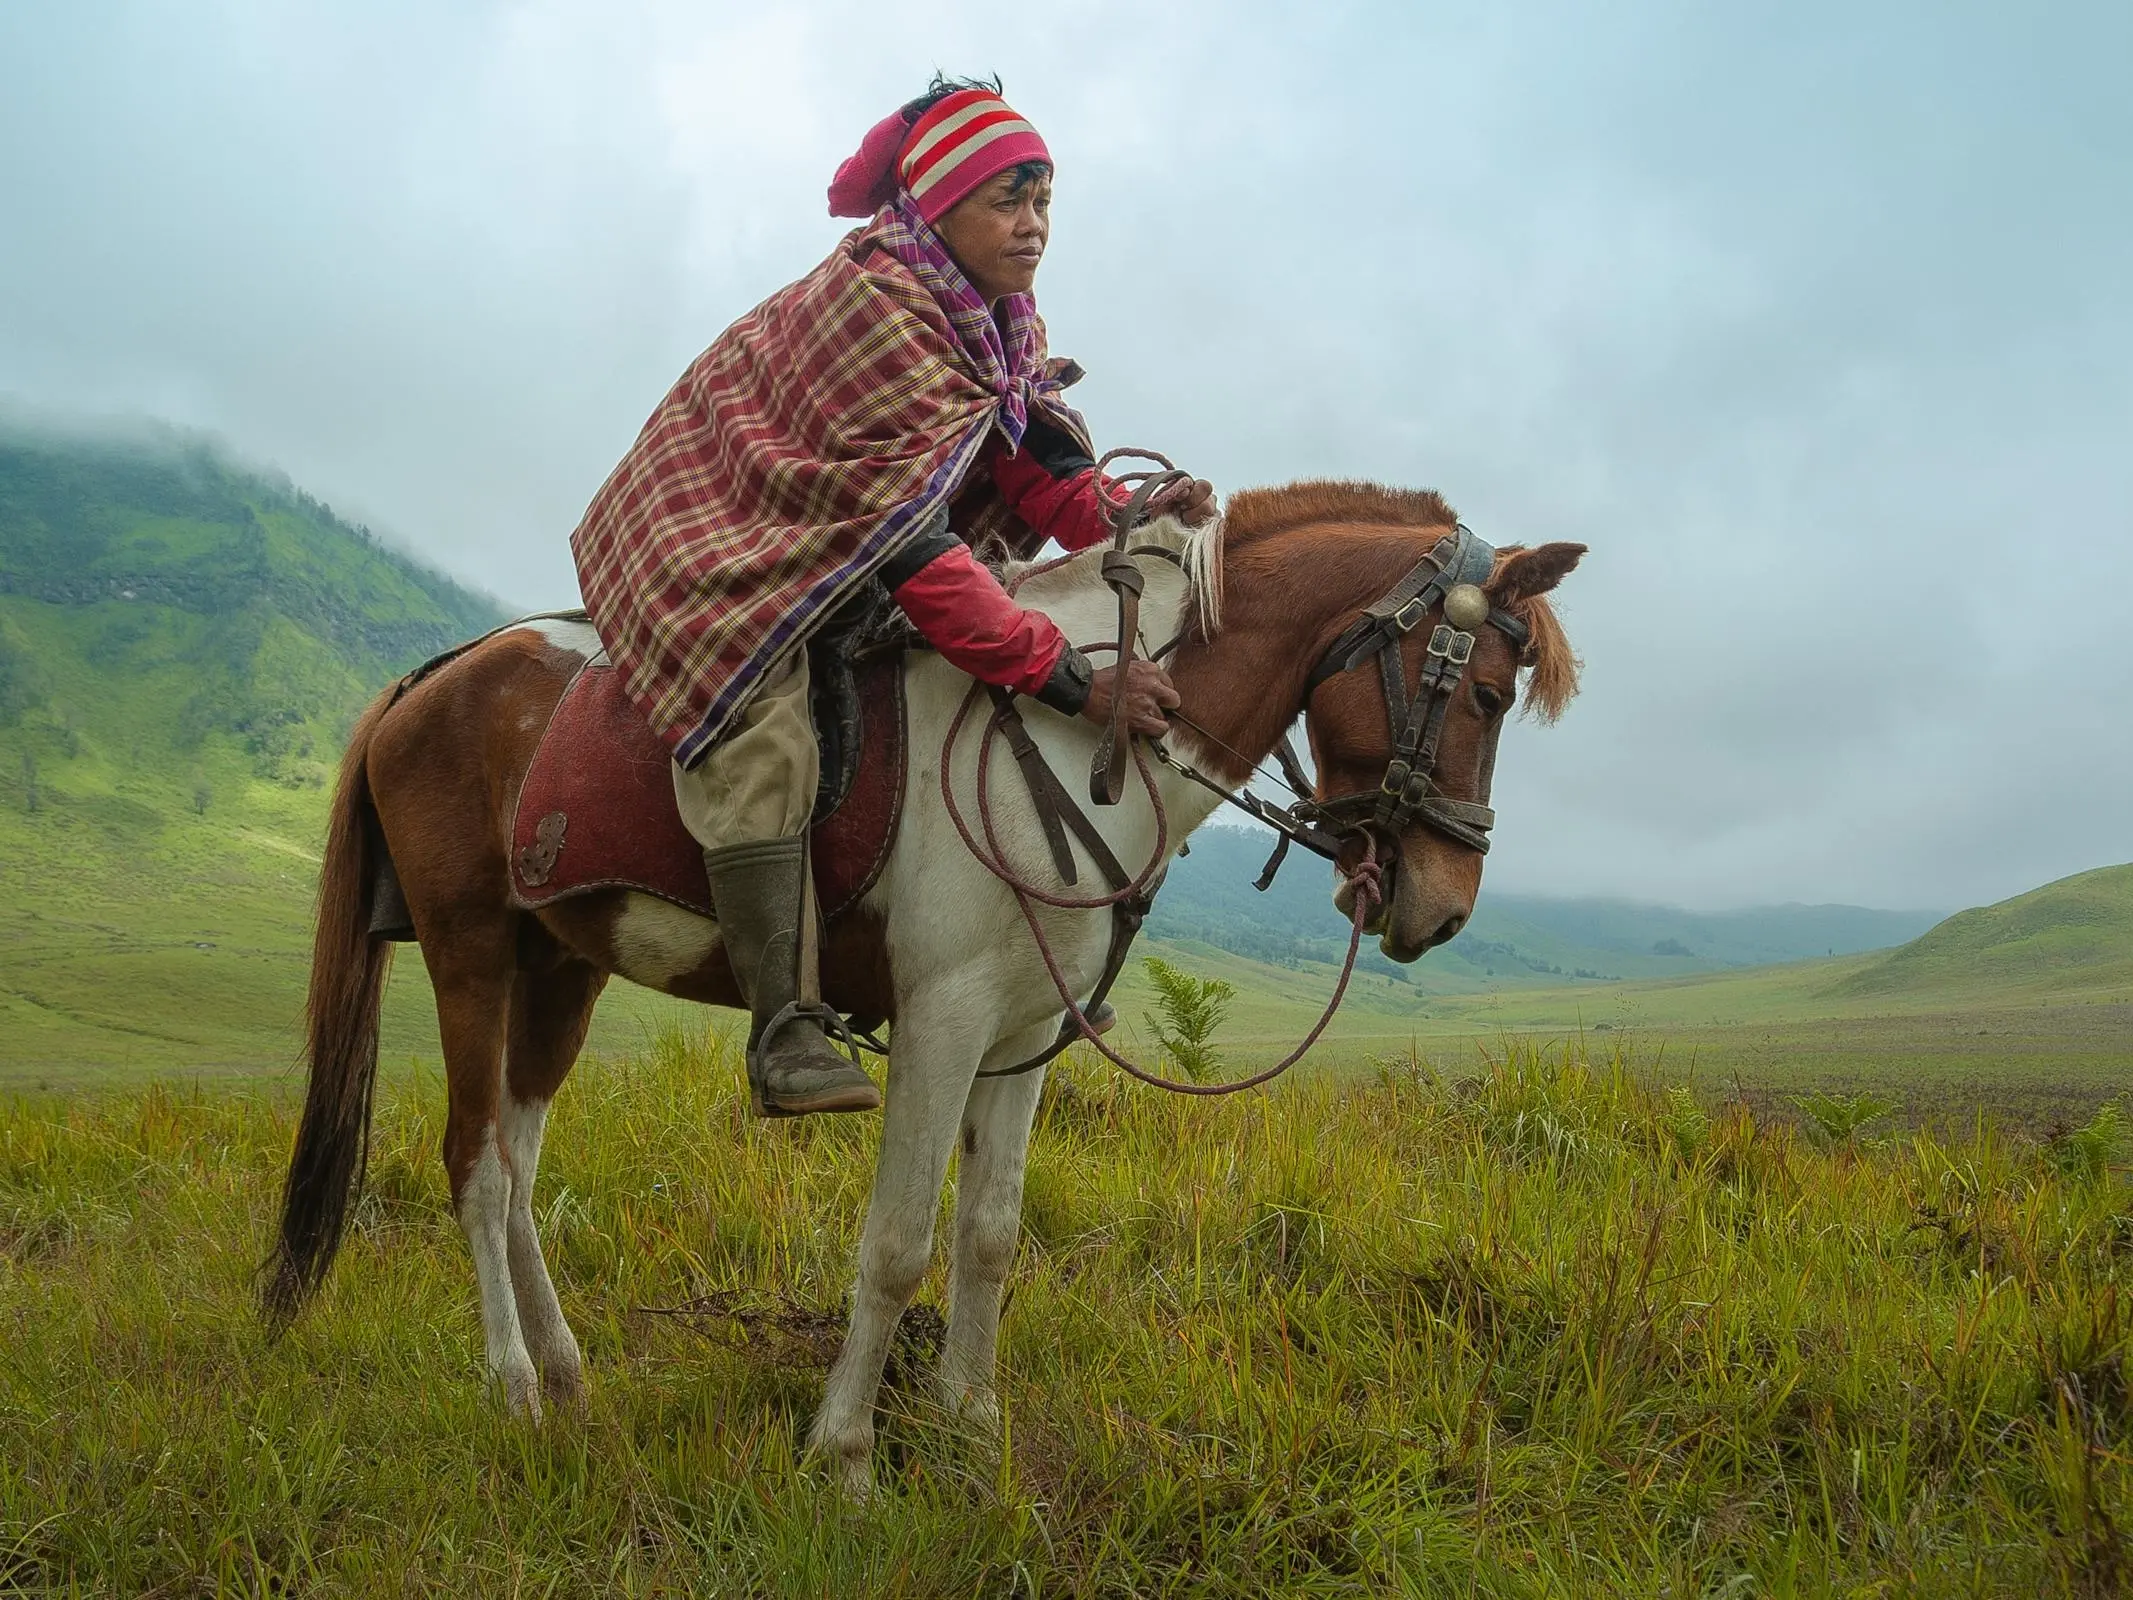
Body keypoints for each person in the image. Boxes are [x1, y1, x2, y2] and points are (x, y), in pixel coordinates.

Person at [572, 77, 1215, 1118]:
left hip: (858, 537)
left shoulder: (1001, 318)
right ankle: (784, 1026)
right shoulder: (870, 306)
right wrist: (1071, 679)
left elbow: (1028, 471)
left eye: (1045, 199)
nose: (1034, 225)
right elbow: (914, 555)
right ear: (941, 202)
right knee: (765, 733)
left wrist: (1125, 512)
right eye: (1010, 198)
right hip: (726, 534)